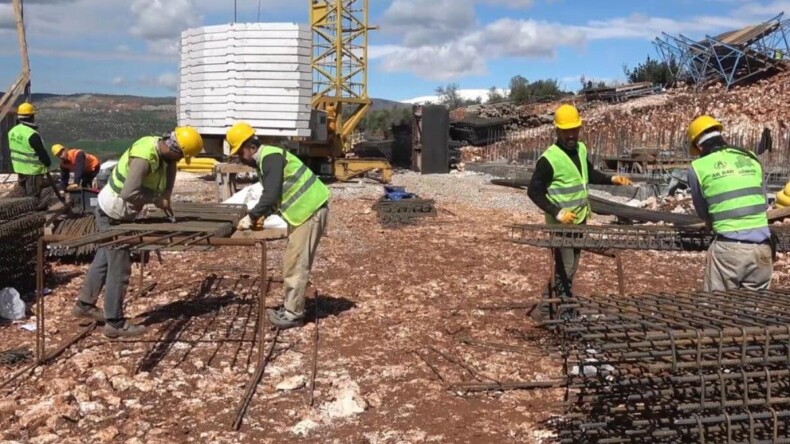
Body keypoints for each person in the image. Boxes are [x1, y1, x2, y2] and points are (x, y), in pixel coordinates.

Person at [72, 127, 204, 337]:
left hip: (115, 212)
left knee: (104, 260)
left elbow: (171, 166)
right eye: (181, 156)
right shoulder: (144, 157)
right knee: (120, 268)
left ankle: (84, 305)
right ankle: (114, 323)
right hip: (114, 214)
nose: (179, 161)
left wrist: (167, 194)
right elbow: (129, 192)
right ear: (174, 148)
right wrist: (155, 199)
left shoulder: (165, 152)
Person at [527, 104, 632, 318]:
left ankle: (545, 308)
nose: (571, 135)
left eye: (574, 130)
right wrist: (557, 212)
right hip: (561, 224)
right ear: (557, 131)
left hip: (580, 219)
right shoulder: (549, 159)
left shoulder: (581, 149)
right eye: (566, 131)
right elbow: (533, 191)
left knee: (571, 266)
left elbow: (588, 174)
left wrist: (611, 179)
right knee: (566, 266)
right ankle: (564, 310)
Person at [225, 122, 330, 329]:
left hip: (310, 211)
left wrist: (252, 216)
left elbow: (271, 194)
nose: (240, 158)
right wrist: (265, 214)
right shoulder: (268, 159)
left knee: (296, 264)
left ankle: (293, 315)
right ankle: (291, 307)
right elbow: (278, 195)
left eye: (240, 152)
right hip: (304, 212)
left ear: (251, 147)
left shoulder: (270, 157)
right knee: (293, 262)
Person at [686, 115, 772, 291]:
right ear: (720, 136)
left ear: (698, 145)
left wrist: (711, 223)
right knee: (756, 310)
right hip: (764, 248)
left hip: (729, 250)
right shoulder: (751, 158)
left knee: (718, 308)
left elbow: (702, 210)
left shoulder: (698, 167)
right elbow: (763, 202)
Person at [8, 102, 50, 199]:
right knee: (33, 197)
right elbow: (43, 155)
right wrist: (47, 163)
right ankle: (34, 213)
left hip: (19, 168)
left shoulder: (12, 131)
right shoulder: (32, 134)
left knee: (23, 196)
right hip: (33, 170)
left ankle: (23, 211)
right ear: (31, 116)